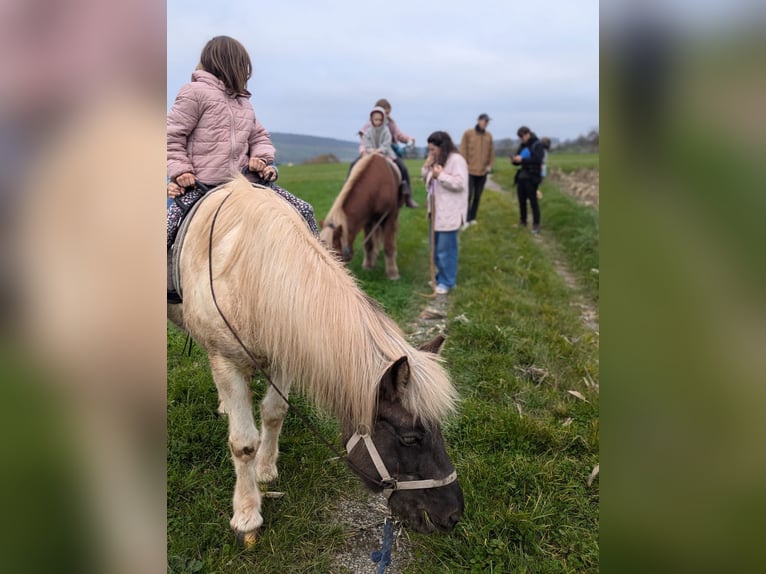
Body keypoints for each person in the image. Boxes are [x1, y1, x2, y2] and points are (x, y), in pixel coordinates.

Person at [166, 35, 318, 302]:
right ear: (229, 65)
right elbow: (171, 137)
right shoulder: (194, 93)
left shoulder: (243, 103)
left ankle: (317, 274)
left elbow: (260, 138)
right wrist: (181, 171)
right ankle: (168, 287)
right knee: (167, 229)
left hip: (244, 182)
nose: (246, 75)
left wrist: (262, 158)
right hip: (202, 185)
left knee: (304, 209)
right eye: (243, 67)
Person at [421, 131, 469, 295]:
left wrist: (440, 175)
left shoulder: (456, 160)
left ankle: (448, 281)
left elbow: (460, 183)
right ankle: (440, 277)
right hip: (436, 210)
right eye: (429, 149)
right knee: (435, 248)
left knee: (446, 249)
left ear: (443, 147)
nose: (431, 152)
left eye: (433, 149)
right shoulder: (438, 159)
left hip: (450, 210)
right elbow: (427, 181)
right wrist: (427, 167)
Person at [356, 98, 418, 208]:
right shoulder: (368, 126)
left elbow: (398, 135)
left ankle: (407, 197)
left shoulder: (390, 123)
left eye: (388, 113)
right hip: (368, 152)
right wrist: (364, 153)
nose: (387, 115)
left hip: (387, 152)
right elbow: (363, 142)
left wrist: (409, 139)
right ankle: (348, 190)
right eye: (386, 113)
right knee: (353, 166)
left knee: (403, 168)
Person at [459, 113, 494, 227]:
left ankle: (473, 217)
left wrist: (490, 165)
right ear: (479, 120)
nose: (486, 123)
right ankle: (465, 219)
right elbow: (463, 149)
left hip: (483, 171)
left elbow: (491, 152)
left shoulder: (489, 136)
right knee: (468, 195)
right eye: (484, 121)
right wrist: (464, 165)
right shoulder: (468, 133)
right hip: (469, 170)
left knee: (478, 195)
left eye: (487, 122)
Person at [511, 126, 545, 233]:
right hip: (522, 176)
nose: (522, 139)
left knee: (533, 201)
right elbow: (518, 159)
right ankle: (523, 222)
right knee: (521, 200)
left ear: (528, 133)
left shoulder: (537, 144)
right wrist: (514, 160)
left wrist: (523, 160)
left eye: (523, 136)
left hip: (532, 177)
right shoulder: (522, 145)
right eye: (520, 137)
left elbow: (538, 159)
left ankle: (536, 225)